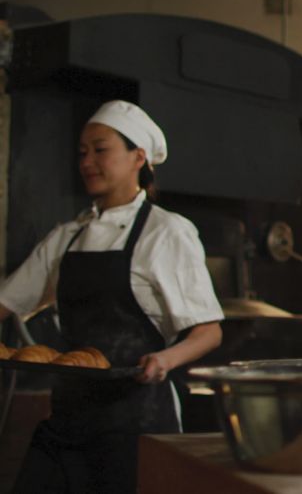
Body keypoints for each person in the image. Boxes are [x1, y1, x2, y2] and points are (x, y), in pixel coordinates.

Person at [0, 100, 224, 493]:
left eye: (100, 149)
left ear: (138, 156)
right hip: (69, 418)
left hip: (137, 423)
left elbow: (208, 331)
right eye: (82, 152)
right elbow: (8, 302)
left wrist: (164, 360)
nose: (87, 161)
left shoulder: (166, 232)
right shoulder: (68, 235)